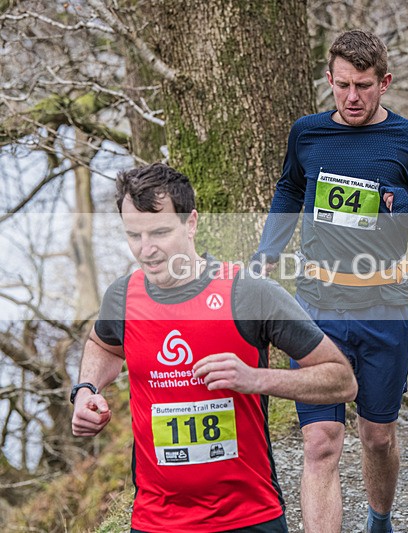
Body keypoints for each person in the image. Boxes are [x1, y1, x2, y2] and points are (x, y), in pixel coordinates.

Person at [70, 163, 357, 533]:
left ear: (191, 223)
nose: (147, 250)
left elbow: (342, 381)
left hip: (249, 517)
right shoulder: (123, 298)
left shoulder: (248, 293)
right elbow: (103, 345)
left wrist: (256, 378)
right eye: (134, 235)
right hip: (156, 520)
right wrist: (86, 390)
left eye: (159, 232)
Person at [253, 30, 408, 533]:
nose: (352, 97)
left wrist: (400, 204)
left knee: (377, 437)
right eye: (342, 85)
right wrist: (268, 252)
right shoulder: (307, 133)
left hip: (384, 305)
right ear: (329, 80)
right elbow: (289, 186)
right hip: (318, 306)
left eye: (363, 85)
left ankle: (380, 519)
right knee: (321, 441)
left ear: (384, 83)